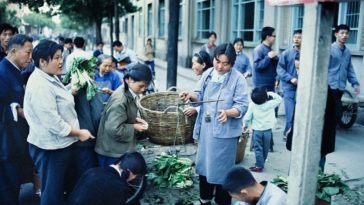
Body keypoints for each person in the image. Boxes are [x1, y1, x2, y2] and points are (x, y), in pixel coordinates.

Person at [24, 40, 94, 205]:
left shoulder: (48, 77)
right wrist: (79, 133)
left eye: (61, 57)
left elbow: (58, 99)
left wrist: (71, 89)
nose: (61, 61)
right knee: (52, 192)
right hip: (49, 148)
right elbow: (53, 123)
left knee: (59, 187)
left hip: (59, 145)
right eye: (56, 58)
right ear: (42, 61)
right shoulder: (40, 86)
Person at [180, 43, 249, 205]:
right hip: (206, 130)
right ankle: (205, 199)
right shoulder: (209, 74)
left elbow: (242, 105)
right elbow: (199, 95)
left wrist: (228, 113)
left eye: (225, 63)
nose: (220, 66)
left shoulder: (238, 79)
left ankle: (222, 200)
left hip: (225, 134)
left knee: (223, 171)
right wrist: (190, 96)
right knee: (204, 166)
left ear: (232, 63)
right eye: (218, 61)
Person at [320, 24, 360, 170]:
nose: (345, 36)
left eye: (347, 33)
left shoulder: (347, 52)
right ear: (336, 34)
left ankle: (327, 142)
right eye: (342, 33)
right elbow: (323, 68)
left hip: (340, 88)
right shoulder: (330, 49)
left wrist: (354, 82)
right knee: (331, 115)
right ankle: (324, 143)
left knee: (335, 115)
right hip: (329, 87)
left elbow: (349, 69)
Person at [95, 64, 152, 167]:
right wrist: (134, 127)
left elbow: (122, 116)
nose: (143, 89)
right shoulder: (120, 100)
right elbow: (114, 129)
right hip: (111, 152)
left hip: (115, 148)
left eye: (146, 86)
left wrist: (136, 119)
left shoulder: (129, 91)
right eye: (141, 86)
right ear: (129, 80)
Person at [0, 34, 34, 205]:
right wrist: (17, 110)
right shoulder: (2, 72)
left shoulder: (16, 71)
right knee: (7, 186)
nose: (30, 57)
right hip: (6, 141)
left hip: (15, 138)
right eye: (28, 52)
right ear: (14, 51)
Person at [67, 151, 147, 205]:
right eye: (135, 175)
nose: (134, 178)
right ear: (129, 171)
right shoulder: (118, 187)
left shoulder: (93, 171)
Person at [242, 87, 282, 172]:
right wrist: (270, 93)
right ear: (266, 97)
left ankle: (259, 165)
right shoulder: (271, 104)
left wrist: (245, 125)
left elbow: (247, 117)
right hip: (268, 131)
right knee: (266, 148)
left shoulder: (252, 105)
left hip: (257, 131)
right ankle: (261, 163)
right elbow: (279, 98)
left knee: (258, 148)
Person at [277, 29, 302, 140]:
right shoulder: (286, 53)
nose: (297, 39)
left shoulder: (308, 54)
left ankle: (296, 134)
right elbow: (280, 69)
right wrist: (290, 78)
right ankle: (287, 133)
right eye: (295, 37)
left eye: (299, 37)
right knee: (290, 111)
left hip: (303, 88)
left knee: (300, 112)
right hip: (289, 87)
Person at [222, 166, 287, 205]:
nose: (239, 201)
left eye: (236, 198)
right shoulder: (260, 189)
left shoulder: (276, 201)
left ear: (244, 193)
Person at [183, 50, 213, 117]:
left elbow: (210, 102)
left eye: (194, 64)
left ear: (203, 65)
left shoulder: (210, 80)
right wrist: (190, 95)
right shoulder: (203, 78)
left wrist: (197, 109)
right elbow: (200, 97)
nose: (192, 67)